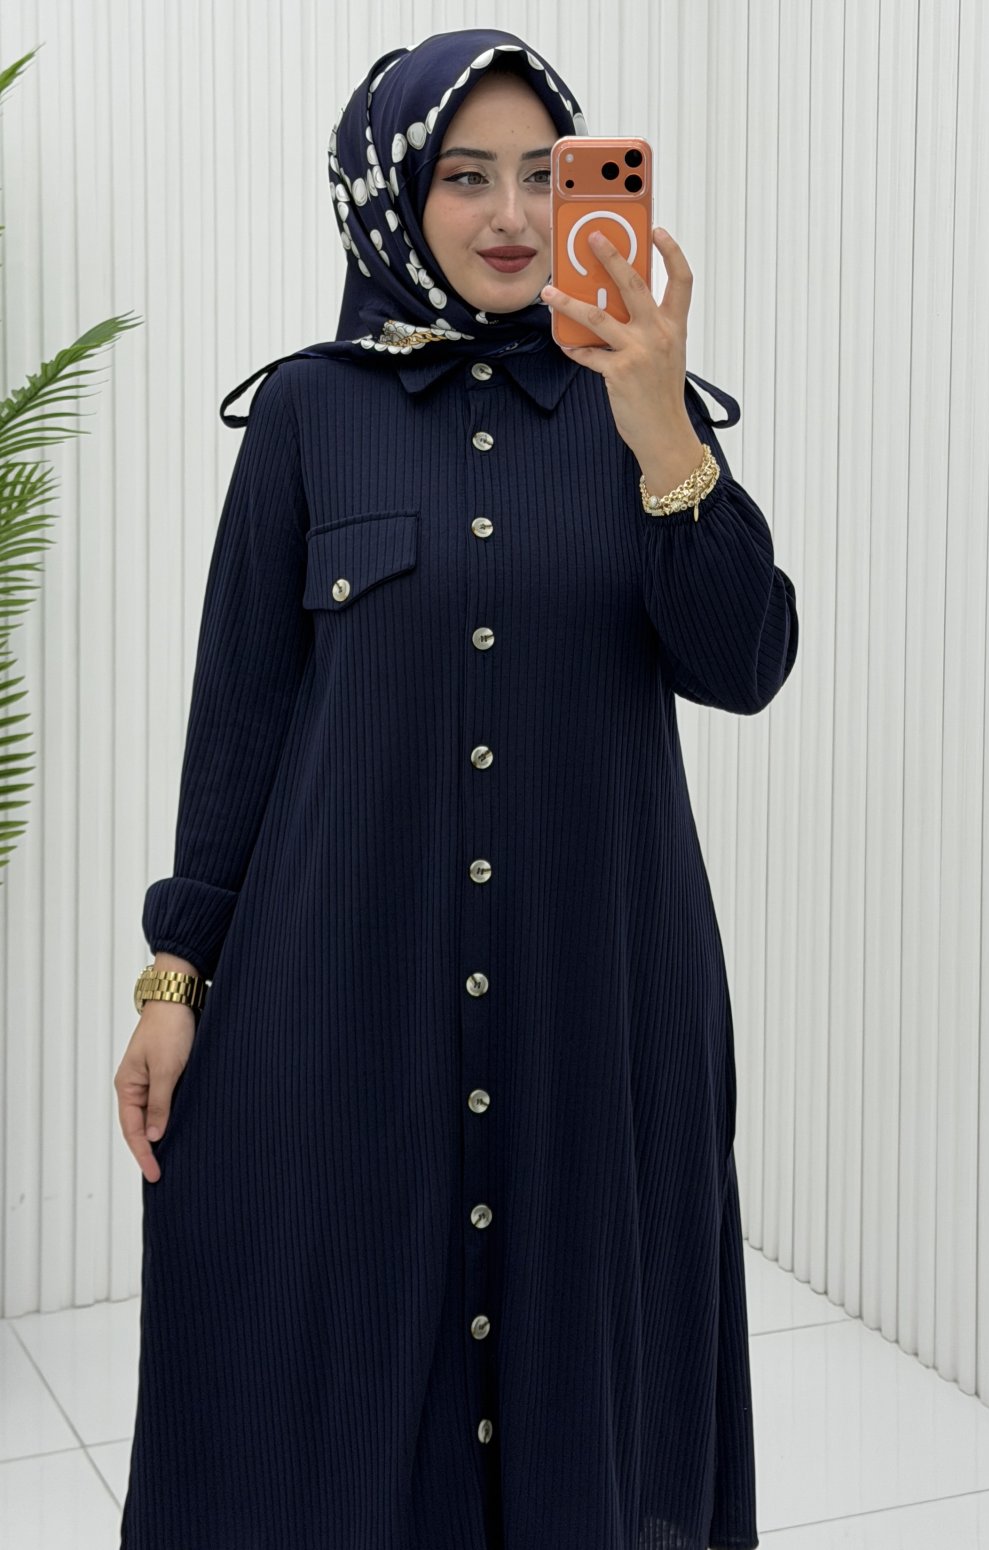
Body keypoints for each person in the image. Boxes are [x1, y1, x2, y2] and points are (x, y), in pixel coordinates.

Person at [115, 26, 797, 1550]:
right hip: (347, 995)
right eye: (464, 177)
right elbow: (242, 712)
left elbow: (747, 661)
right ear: (393, 198)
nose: (510, 215)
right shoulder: (307, 412)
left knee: (590, 1384)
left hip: (596, 997)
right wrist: (176, 973)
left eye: (546, 176)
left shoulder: (644, 403)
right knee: (329, 1381)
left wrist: (661, 429)